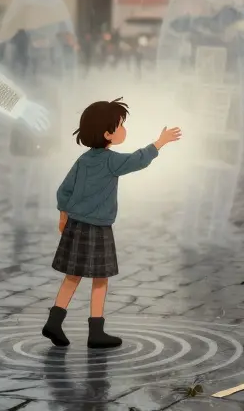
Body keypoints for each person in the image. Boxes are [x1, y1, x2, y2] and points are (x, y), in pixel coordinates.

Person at [42, 98, 182, 349]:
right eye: (120, 125)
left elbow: (64, 190)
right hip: (98, 227)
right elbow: (137, 160)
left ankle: (54, 320)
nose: (124, 129)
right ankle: (96, 331)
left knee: (72, 276)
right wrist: (160, 143)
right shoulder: (111, 161)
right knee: (100, 278)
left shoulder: (83, 160)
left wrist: (63, 216)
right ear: (107, 133)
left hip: (75, 224)